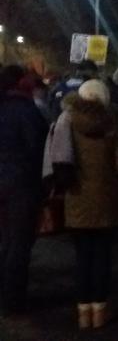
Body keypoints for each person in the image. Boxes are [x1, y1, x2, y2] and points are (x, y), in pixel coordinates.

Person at [60, 80, 118, 329]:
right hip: (105, 200)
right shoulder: (113, 124)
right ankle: (100, 310)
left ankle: (83, 312)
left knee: (82, 258)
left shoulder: (67, 123)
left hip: (77, 199)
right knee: (102, 256)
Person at [0, 66, 47, 316]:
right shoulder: (26, 110)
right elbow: (37, 148)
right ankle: (14, 300)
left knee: (6, 240)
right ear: (20, 82)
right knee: (19, 242)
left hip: (5, 181)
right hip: (21, 184)